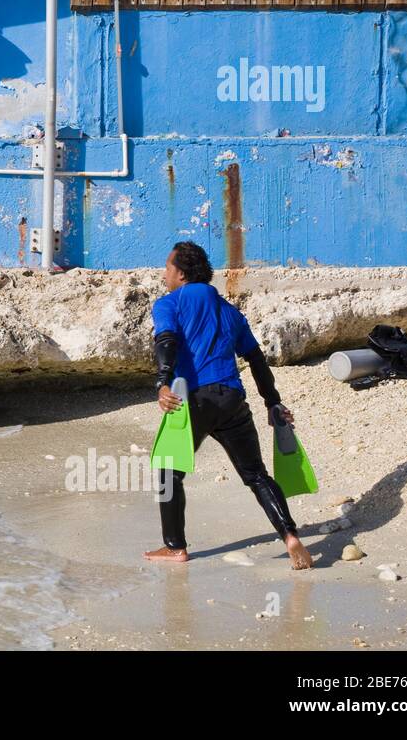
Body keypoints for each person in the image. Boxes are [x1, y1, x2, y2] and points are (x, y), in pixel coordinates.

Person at [144, 241, 313, 570]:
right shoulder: (230, 311)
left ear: (180, 273)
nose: (164, 273)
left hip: (194, 400)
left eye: (167, 267)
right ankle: (290, 535)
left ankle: (175, 547)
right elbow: (256, 359)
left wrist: (162, 382)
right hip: (232, 399)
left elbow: (167, 341)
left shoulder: (169, 304)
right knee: (256, 475)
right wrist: (273, 403)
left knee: (167, 473)